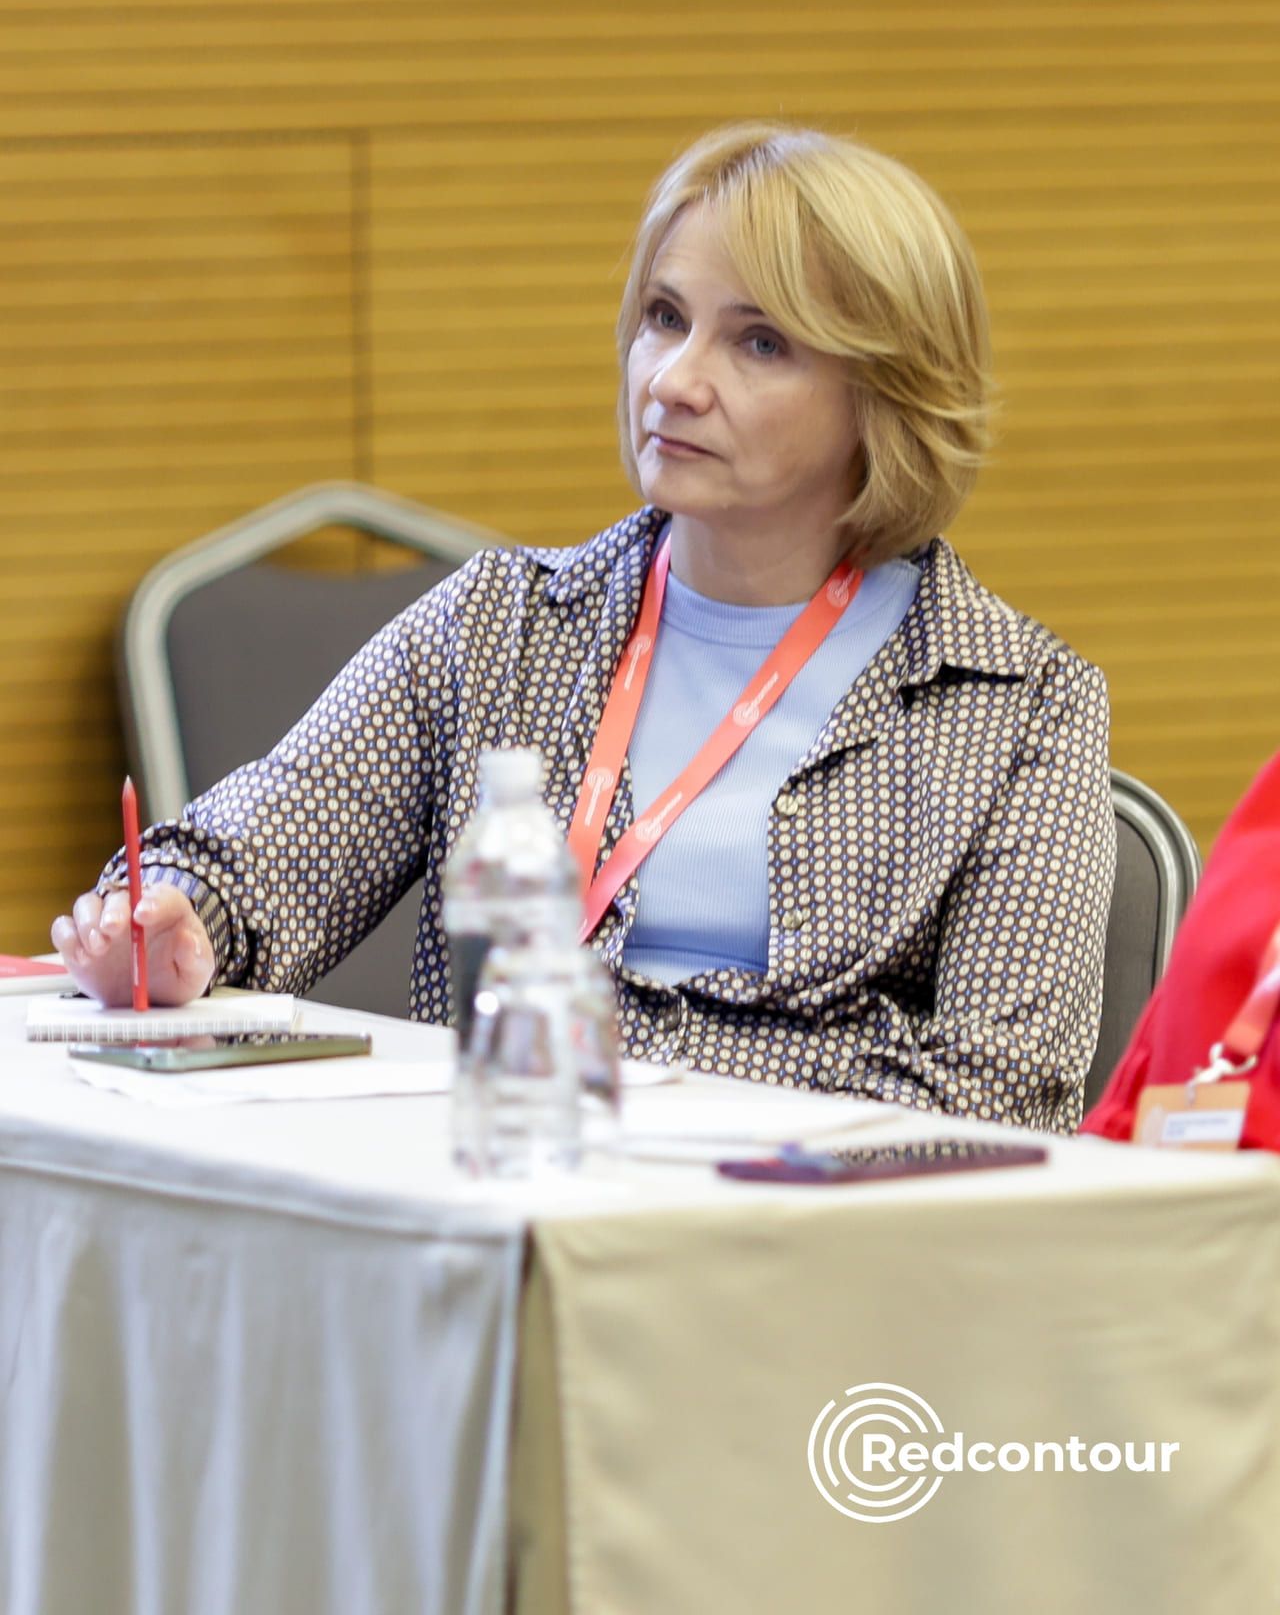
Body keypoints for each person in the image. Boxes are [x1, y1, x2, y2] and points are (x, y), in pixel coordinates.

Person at [52, 122, 1115, 1133]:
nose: (675, 381)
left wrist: (635, 1092)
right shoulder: (500, 626)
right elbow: (259, 852)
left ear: (885, 395)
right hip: (502, 1187)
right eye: (665, 316)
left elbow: (1003, 1097)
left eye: (757, 342)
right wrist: (172, 922)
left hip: (805, 1234)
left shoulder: (1020, 704)